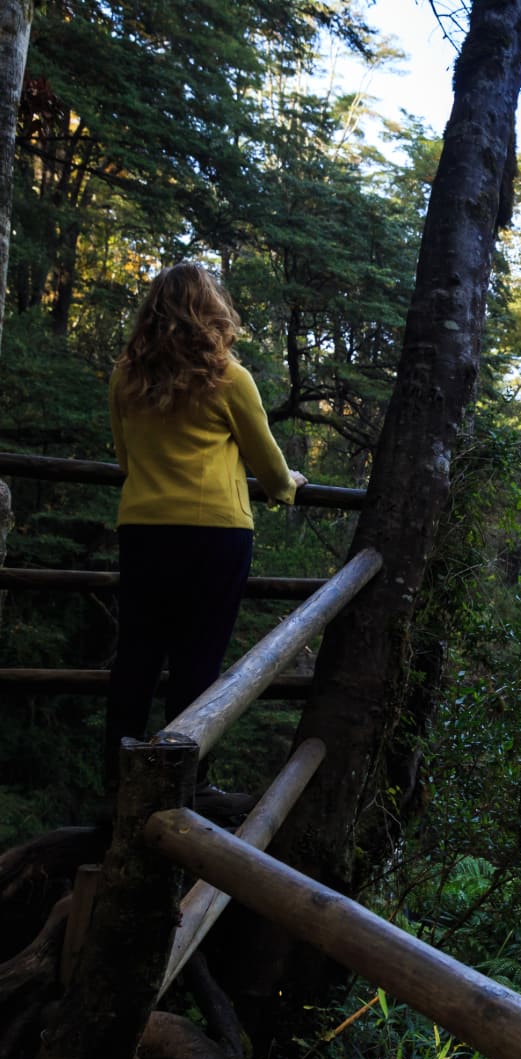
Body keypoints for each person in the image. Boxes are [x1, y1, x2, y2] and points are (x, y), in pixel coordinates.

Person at [104, 262, 306, 790]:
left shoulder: (125, 379)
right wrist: (288, 485)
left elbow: (126, 463)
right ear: (212, 313)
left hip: (144, 528)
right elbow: (269, 467)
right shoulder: (230, 378)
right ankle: (185, 784)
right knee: (199, 661)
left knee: (138, 656)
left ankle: (116, 778)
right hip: (215, 534)